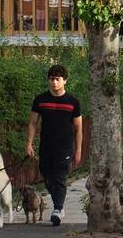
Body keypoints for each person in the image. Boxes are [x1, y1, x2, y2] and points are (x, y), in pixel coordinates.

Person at [26, 64, 83, 225]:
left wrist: (78, 150)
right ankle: (59, 203)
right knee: (47, 177)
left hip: (65, 147)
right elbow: (32, 123)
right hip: (46, 146)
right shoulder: (40, 100)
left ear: (65, 80)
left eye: (58, 79)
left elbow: (78, 128)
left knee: (60, 177)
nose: (54, 82)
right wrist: (29, 144)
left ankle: (58, 209)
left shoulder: (73, 102)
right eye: (52, 79)